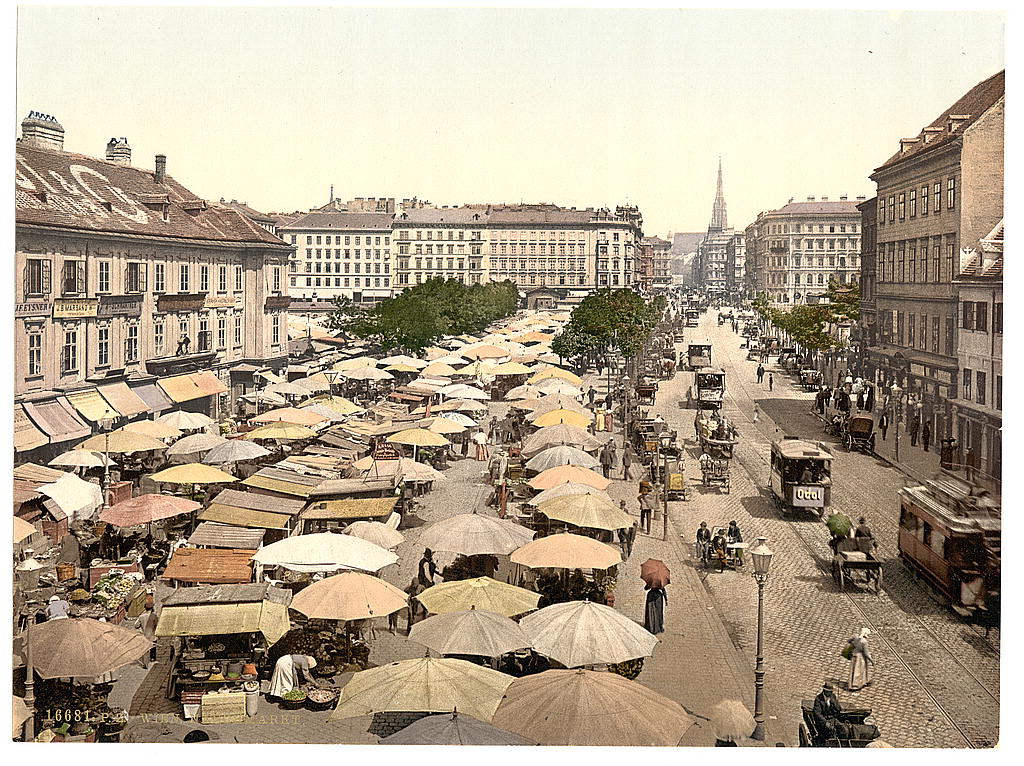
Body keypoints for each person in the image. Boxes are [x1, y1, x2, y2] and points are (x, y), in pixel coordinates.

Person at [139, 602, 159, 668]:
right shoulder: (154, 615)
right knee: (153, 647)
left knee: (146, 649)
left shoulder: (141, 616)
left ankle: (145, 663)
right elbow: (157, 624)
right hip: (152, 634)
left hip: (144, 634)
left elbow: (136, 625)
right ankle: (152, 659)